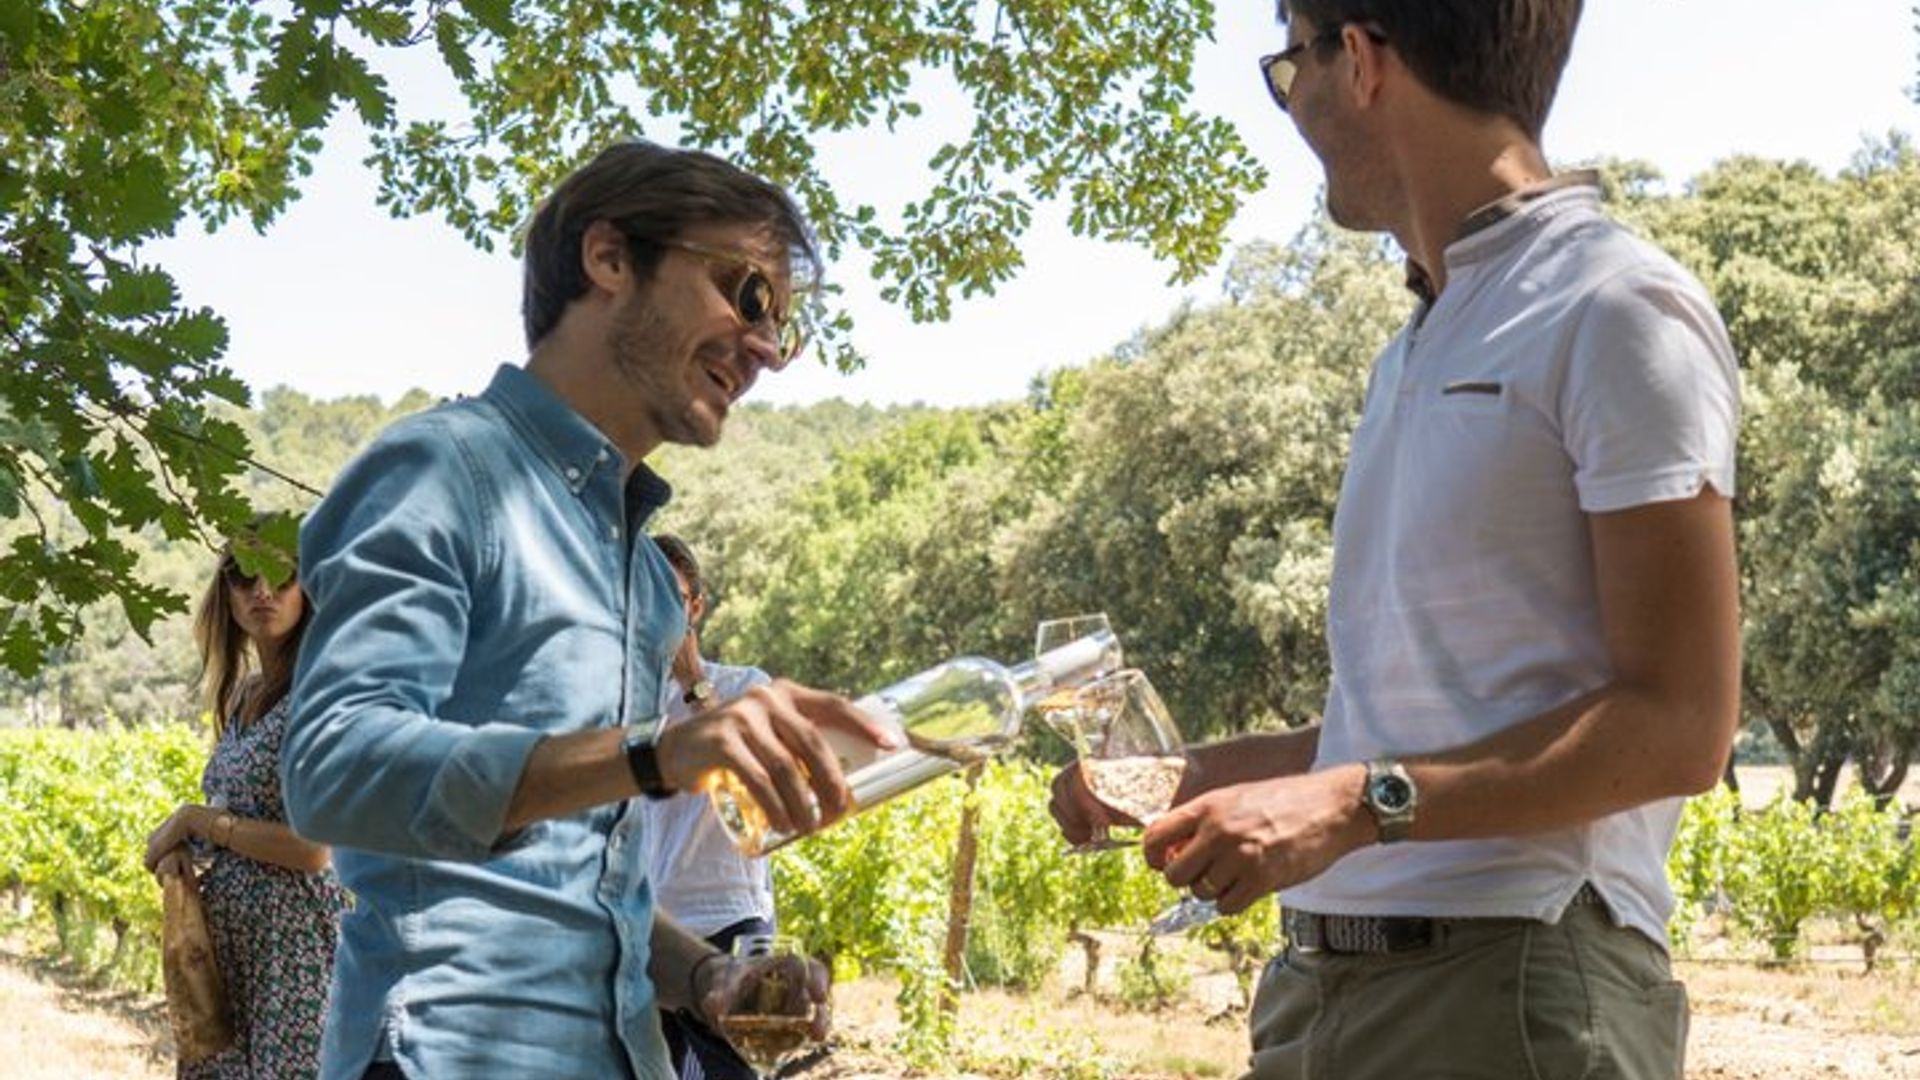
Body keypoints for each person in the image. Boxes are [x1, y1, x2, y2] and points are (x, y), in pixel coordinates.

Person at [1050, 3, 1741, 1078]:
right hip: (1321, 993)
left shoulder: (1618, 306)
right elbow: (1407, 731)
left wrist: (1346, 805)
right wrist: (1196, 774)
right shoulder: (1422, 340)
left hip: (1510, 995)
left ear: (1361, 60)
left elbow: (1683, 725)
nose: (1294, 108)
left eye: (1291, 66)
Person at [281, 141, 893, 1080]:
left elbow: (583, 881)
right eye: (748, 293)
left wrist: (712, 977)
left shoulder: (645, 576)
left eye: (781, 323)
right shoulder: (442, 471)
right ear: (609, 258)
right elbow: (334, 769)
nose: (767, 346)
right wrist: (655, 754)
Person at [145, 539, 348, 1080]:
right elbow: (231, 813)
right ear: (226, 595)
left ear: (308, 590)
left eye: (281, 576)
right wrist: (183, 848)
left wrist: (198, 821)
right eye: (245, 577)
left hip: (296, 947)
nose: (263, 590)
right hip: (230, 948)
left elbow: (316, 848)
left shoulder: (321, 697)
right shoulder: (241, 695)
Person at [646, 533, 780, 1080]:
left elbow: (746, 790)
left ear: (696, 607)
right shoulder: (618, 701)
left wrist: (692, 683)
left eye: (671, 599)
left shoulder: (745, 688)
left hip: (730, 918)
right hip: (645, 929)